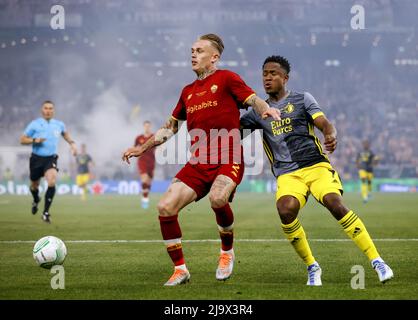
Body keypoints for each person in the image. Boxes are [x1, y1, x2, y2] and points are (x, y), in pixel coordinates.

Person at [122, 33, 280, 286]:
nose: (193, 54)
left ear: (214, 57)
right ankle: (180, 269)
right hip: (198, 162)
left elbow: (252, 99)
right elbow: (170, 127)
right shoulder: (188, 92)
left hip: (228, 157)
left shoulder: (227, 78)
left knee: (218, 198)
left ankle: (226, 253)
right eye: (191, 50)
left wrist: (266, 109)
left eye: (199, 50)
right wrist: (143, 148)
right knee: (165, 207)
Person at [240, 55, 393, 286]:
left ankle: (377, 261)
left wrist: (330, 133)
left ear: (285, 78)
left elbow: (323, 122)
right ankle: (312, 266)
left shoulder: (302, 99)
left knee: (334, 202)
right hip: (288, 174)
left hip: (315, 165)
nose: (267, 78)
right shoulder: (257, 112)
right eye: (264, 74)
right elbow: (231, 129)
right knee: (285, 209)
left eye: (273, 73)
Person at [20, 100, 77, 223]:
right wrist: (35, 140)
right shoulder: (34, 124)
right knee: (34, 186)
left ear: (54, 111)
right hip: (36, 158)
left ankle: (45, 213)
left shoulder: (59, 124)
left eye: (51, 108)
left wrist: (72, 143)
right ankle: (36, 199)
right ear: (42, 110)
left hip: (50, 158)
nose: (48, 110)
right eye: (46, 108)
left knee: (52, 180)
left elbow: (65, 134)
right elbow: (22, 139)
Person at [134, 120, 155, 209]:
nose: (147, 127)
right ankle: (145, 199)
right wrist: (131, 152)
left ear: (150, 127)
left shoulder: (153, 137)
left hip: (151, 161)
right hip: (142, 161)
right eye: (145, 126)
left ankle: (145, 193)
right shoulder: (139, 138)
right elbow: (135, 147)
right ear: (144, 127)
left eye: (148, 126)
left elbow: (159, 145)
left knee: (149, 181)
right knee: (144, 179)